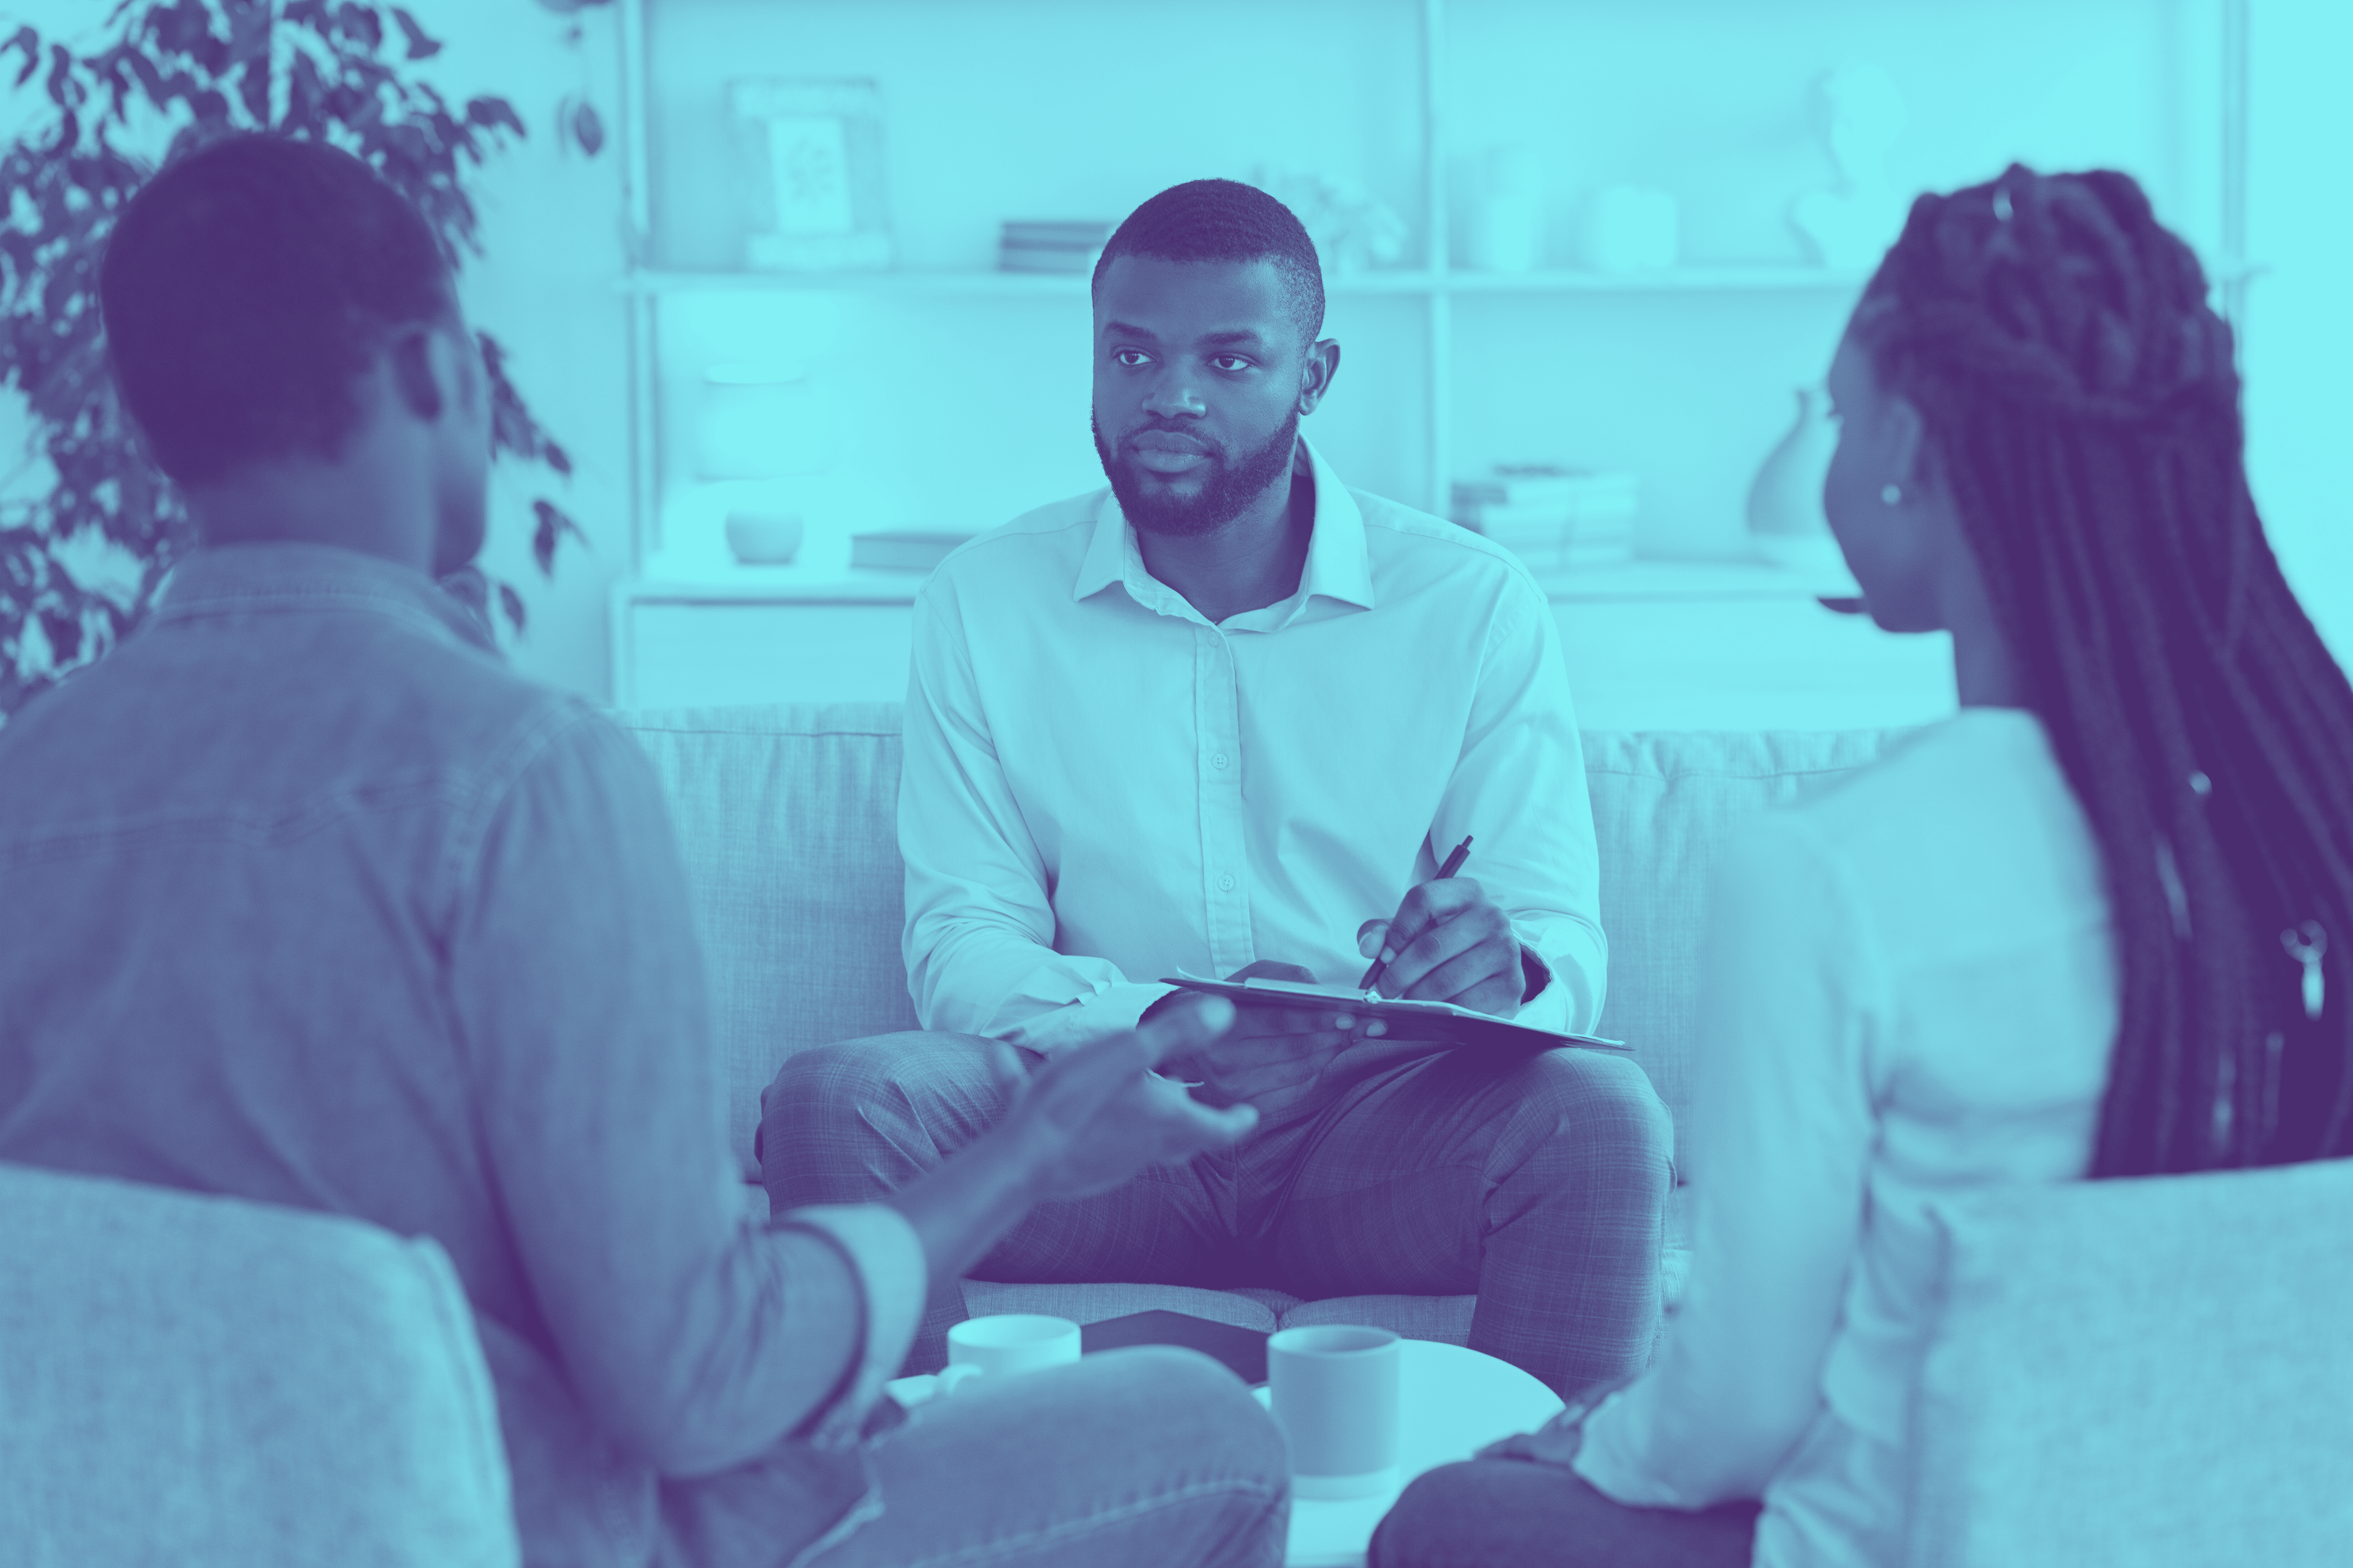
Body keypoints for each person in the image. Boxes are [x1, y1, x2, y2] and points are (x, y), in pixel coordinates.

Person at [0, 134, 1293, 1568]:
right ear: (440, 374)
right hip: (519, 1531)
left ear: (143, 424)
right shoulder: (521, 777)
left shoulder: (27, 783)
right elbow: (697, 1384)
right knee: (1205, 1432)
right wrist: (1033, 1155)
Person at [1369, 163, 2353, 1568]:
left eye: (1836, 412)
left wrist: (1590, 1436)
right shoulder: (2309, 805)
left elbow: (1748, 1411)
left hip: (1918, 1536)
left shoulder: (1829, 871)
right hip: (2251, 1524)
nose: (1832, 450)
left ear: (1902, 443)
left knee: (1442, 1517)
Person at [761, 178, 1673, 1397]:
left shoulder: (1469, 602)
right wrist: (1164, 1031)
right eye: (1130, 354)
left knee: (1601, 1116)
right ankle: (939, 1506)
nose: (1169, 397)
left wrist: (1507, 972)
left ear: (1315, 373)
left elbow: (1554, 929)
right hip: (1102, 1119)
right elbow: (963, 939)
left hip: (1376, 1135)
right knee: (834, 1102)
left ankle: (1510, 1516)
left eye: (1230, 360)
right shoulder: (984, 601)